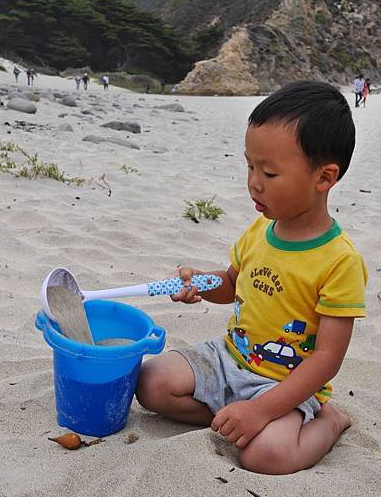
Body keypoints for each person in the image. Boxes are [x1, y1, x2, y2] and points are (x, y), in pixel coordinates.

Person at [136, 81, 367, 475]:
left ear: (324, 178)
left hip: (286, 384)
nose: (254, 182)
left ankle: (330, 422)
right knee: (151, 382)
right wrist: (200, 283)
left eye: (270, 173)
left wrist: (263, 409)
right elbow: (231, 283)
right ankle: (235, 417)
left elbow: (327, 359)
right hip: (231, 357)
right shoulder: (261, 230)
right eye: (250, 166)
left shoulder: (338, 261)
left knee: (266, 457)